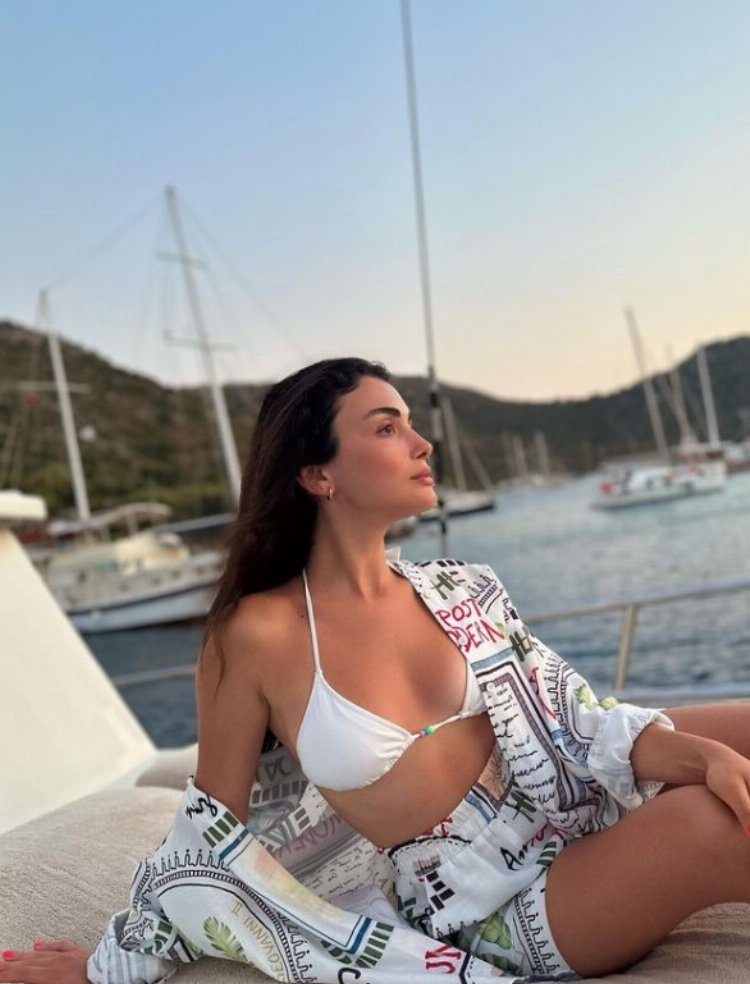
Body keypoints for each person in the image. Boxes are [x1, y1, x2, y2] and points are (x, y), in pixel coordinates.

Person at [3, 357, 750, 984]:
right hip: (498, 905)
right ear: (316, 474)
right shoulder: (257, 634)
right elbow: (209, 831)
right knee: (710, 821)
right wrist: (110, 963)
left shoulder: (461, 587)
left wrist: (702, 754)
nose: (422, 444)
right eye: (388, 428)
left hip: (564, 807)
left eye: (410, 424)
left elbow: (574, 721)